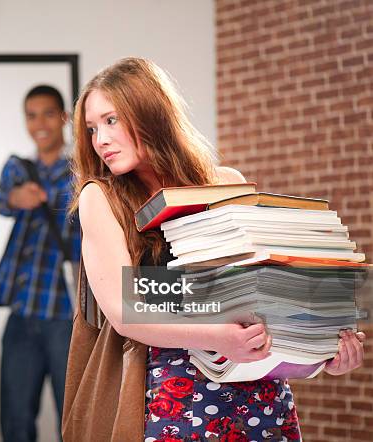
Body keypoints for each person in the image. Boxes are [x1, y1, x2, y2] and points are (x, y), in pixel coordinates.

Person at [65, 57, 365, 441]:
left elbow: (269, 290)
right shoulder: (101, 197)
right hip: (172, 397)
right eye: (92, 128)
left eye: (111, 120)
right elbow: (125, 310)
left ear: (150, 112)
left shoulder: (225, 182)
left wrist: (323, 353)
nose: (100, 140)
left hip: (259, 393)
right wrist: (215, 336)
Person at [0, 85, 82, 441]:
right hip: (23, 309)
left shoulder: (80, 168)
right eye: (31, 115)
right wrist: (16, 197)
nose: (39, 123)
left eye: (47, 113)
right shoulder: (18, 168)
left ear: (63, 118)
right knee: (15, 419)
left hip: (65, 313)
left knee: (71, 417)